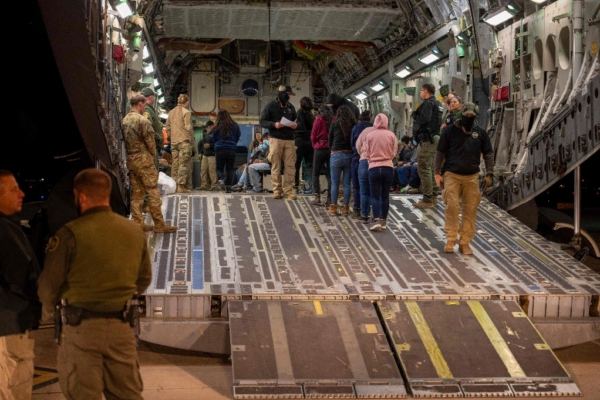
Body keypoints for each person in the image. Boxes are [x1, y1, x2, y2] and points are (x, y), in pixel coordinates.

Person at [38, 168, 151, 400]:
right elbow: (144, 279)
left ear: (80, 196)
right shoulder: (134, 232)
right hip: (122, 327)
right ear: (107, 194)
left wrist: (48, 313)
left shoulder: (69, 234)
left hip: (81, 328)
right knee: (126, 393)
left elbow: (49, 284)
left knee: (82, 393)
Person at [0, 170, 41, 400]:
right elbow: (22, 276)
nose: (21, 194)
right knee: (16, 385)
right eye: (14, 189)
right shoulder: (4, 229)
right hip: (11, 325)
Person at [434, 103, 494, 255]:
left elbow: (488, 153)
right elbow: (440, 153)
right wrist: (437, 173)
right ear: (461, 114)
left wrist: (489, 173)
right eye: (466, 115)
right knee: (452, 206)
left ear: (474, 115)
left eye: (471, 116)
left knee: (471, 209)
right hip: (452, 174)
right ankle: (451, 239)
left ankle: (465, 242)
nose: (468, 118)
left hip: (472, 176)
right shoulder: (449, 131)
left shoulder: (480, 133)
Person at [122, 95, 177, 233]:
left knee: (137, 193)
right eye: (144, 106)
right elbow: (150, 143)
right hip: (144, 161)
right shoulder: (142, 121)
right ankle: (159, 224)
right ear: (140, 104)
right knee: (153, 191)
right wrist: (152, 154)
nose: (144, 108)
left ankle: (138, 223)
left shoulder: (125, 120)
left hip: (131, 160)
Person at [259, 85, 298, 199]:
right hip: (275, 139)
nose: (290, 96)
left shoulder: (291, 107)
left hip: (290, 140)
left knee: (290, 166)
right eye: (288, 94)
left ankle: (288, 191)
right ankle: (277, 190)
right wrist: (274, 124)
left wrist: (295, 125)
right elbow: (262, 121)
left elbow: (296, 120)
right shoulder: (270, 106)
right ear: (282, 94)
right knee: (276, 165)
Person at [362, 114, 397, 231]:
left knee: (375, 195)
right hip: (388, 167)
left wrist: (373, 158)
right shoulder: (391, 135)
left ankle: (376, 219)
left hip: (374, 168)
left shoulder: (370, 135)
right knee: (385, 195)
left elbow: (366, 152)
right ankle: (383, 221)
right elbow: (394, 152)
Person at [412, 83, 443, 209]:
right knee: (430, 168)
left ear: (425, 91)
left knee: (424, 168)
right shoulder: (437, 104)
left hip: (427, 139)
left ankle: (427, 199)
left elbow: (424, 119)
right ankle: (433, 196)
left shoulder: (427, 104)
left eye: (421, 91)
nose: (420, 93)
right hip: (435, 138)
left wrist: (415, 117)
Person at [328, 105, 356, 216]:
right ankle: (345, 208)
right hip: (349, 155)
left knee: (335, 183)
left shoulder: (334, 124)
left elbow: (330, 140)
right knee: (347, 184)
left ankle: (333, 208)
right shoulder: (353, 124)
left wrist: (333, 150)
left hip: (336, 155)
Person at [166, 93, 195, 193]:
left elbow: (168, 127)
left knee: (175, 164)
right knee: (183, 164)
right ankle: (181, 187)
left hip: (174, 142)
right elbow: (188, 127)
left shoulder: (171, 112)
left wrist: (171, 137)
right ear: (186, 102)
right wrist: (191, 139)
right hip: (184, 142)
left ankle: (173, 186)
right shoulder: (186, 112)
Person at [350, 110, 373, 218]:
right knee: (368, 187)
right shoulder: (374, 128)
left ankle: (357, 209)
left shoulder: (356, 128)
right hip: (372, 160)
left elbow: (353, 143)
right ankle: (368, 210)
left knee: (357, 186)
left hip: (357, 158)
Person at [212, 109, 241, 193]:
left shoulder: (216, 126)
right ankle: (228, 187)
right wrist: (233, 143)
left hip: (220, 149)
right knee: (230, 168)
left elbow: (214, 138)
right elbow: (238, 136)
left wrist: (218, 143)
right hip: (231, 149)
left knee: (219, 167)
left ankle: (221, 180)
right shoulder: (235, 125)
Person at [311, 105, 333, 206]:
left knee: (315, 173)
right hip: (330, 148)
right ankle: (329, 198)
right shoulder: (333, 120)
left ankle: (317, 197)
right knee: (329, 175)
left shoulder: (318, 120)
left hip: (319, 148)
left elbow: (313, 136)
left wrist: (315, 145)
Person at [294, 97, 315, 194]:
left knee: (296, 165)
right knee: (310, 165)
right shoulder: (312, 115)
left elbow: (297, 126)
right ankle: (314, 187)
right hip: (310, 142)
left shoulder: (299, 113)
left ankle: (296, 187)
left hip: (299, 142)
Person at [140, 87, 164, 168]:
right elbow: (147, 127)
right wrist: (159, 137)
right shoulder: (147, 109)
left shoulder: (148, 109)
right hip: (151, 147)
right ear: (151, 97)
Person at [198, 120, 218, 190]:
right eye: (207, 127)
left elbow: (218, 144)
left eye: (209, 126)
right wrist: (200, 152)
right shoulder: (205, 133)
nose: (208, 128)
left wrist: (210, 145)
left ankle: (214, 185)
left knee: (212, 170)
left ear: (212, 126)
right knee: (203, 170)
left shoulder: (216, 133)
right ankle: (204, 184)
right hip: (205, 154)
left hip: (212, 155)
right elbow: (202, 143)